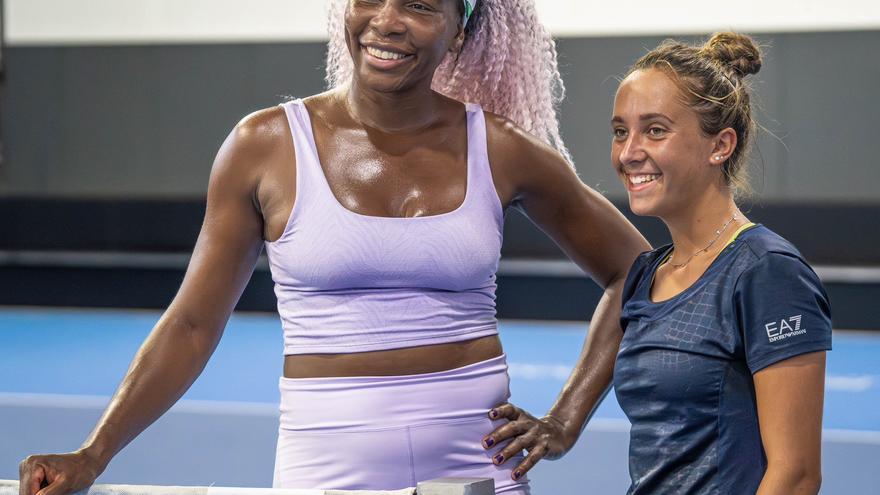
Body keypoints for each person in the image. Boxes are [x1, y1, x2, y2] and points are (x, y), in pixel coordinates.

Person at [18, 1, 648, 494]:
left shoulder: (503, 149)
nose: (387, 21)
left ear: (460, 30)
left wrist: (566, 420)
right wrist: (92, 452)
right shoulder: (263, 145)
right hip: (324, 465)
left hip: (476, 465)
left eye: (421, 5)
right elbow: (191, 323)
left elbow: (638, 272)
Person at [607, 33, 831, 493]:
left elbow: (795, 476)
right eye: (620, 131)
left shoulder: (767, 272)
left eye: (655, 130)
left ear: (719, 145)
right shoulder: (647, 275)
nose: (629, 152)